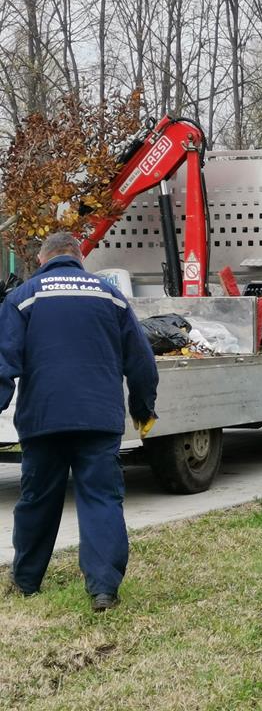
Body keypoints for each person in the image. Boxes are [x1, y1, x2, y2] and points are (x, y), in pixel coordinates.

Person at [0, 232, 158, 612]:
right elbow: (141, 361)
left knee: (38, 499)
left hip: (44, 419)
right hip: (99, 420)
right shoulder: (110, 296)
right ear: (78, 257)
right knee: (100, 499)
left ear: (42, 259)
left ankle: (26, 582)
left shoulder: (23, 298)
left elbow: (4, 362)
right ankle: (103, 590)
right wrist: (143, 408)